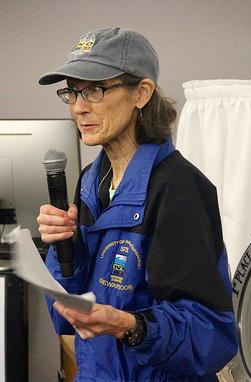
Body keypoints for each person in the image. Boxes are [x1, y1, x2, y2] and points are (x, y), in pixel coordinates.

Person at [37, 27, 237, 382]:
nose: (79, 107)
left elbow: (211, 334)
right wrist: (64, 247)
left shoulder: (179, 188)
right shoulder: (89, 182)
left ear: (141, 93)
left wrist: (131, 327)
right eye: (72, 91)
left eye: (95, 90)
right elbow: (68, 315)